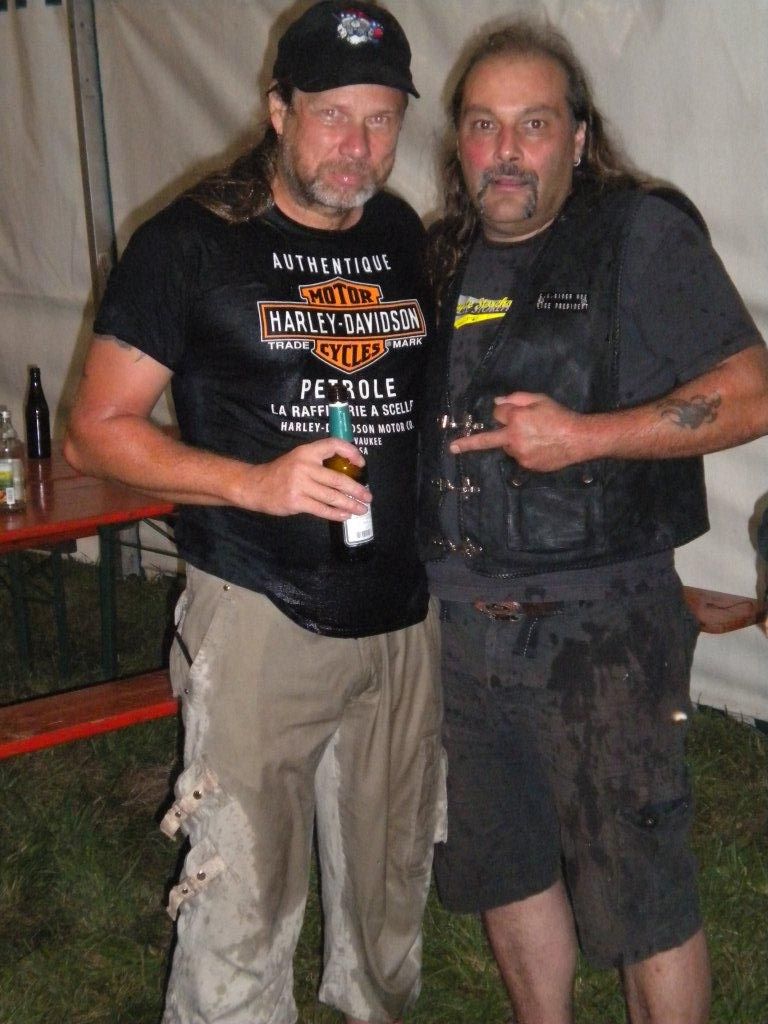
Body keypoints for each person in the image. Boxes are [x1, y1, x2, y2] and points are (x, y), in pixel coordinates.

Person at [63, 4, 444, 1023]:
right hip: (260, 607)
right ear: (278, 110)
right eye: (332, 114)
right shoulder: (191, 242)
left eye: (380, 118)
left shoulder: (401, 234)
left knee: (390, 885)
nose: (357, 144)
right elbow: (95, 431)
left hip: (401, 613)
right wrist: (255, 483)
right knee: (244, 894)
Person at [417, 18, 768, 1024]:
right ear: (459, 142)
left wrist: (586, 437)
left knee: (640, 897)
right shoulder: (439, 258)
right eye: (483, 124)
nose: (506, 149)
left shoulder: (639, 235)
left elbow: (751, 391)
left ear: (577, 137)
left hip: (601, 630)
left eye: (533, 123)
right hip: (459, 626)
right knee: (507, 867)